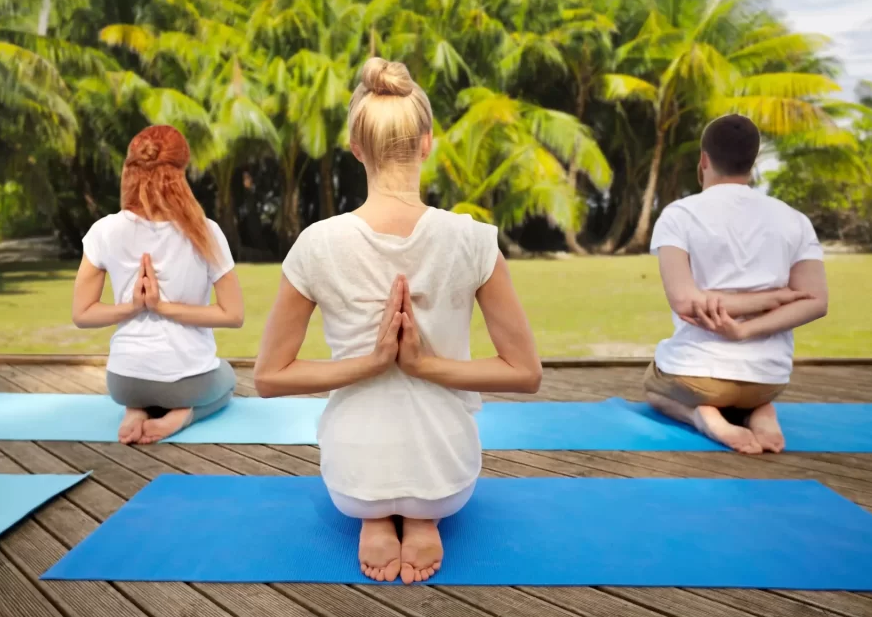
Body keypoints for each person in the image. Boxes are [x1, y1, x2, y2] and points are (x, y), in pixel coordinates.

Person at [254, 58, 542, 585]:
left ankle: (376, 516)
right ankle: (423, 515)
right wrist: (425, 365)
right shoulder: (473, 239)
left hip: (352, 479)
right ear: (427, 142)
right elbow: (526, 373)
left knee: (367, 487)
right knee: (431, 489)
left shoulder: (316, 244)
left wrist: (370, 364)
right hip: (447, 478)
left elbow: (269, 378)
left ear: (356, 147)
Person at [643, 114, 829, 454]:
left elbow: (685, 303)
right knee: (748, 393)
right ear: (753, 162)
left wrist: (735, 319)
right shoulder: (794, 219)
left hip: (695, 377)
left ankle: (704, 418)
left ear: (703, 159)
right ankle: (758, 410)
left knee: (653, 387)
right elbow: (815, 301)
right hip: (767, 380)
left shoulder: (679, 214)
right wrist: (768, 303)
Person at [71, 125, 244, 445]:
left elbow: (82, 314)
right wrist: (164, 307)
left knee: (143, 387)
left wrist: (133, 307)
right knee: (228, 381)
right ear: (182, 170)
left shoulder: (103, 231)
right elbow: (233, 315)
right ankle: (182, 415)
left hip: (123, 382)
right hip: (188, 382)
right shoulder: (206, 231)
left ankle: (135, 411)